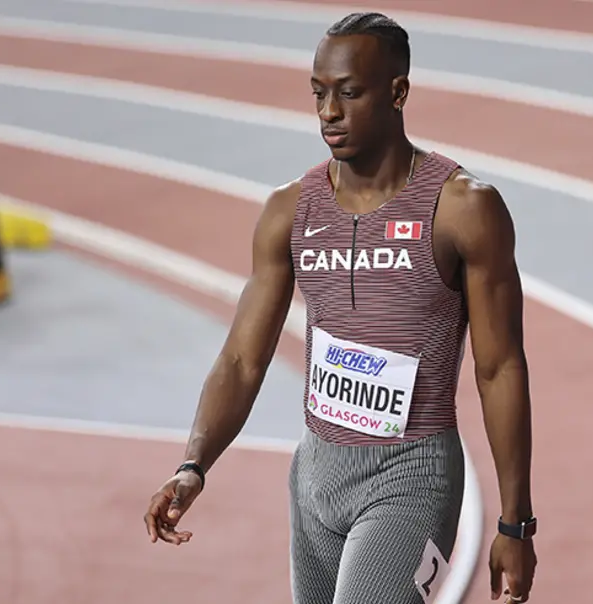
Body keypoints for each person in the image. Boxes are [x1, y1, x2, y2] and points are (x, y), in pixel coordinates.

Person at [142, 11, 537, 604]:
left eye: (349, 93)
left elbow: (499, 366)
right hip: (315, 481)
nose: (329, 111)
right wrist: (193, 464)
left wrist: (515, 522)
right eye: (319, 93)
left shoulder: (462, 210)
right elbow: (242, 360)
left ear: (398, 92)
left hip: (413, 477)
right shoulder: (289, 212)